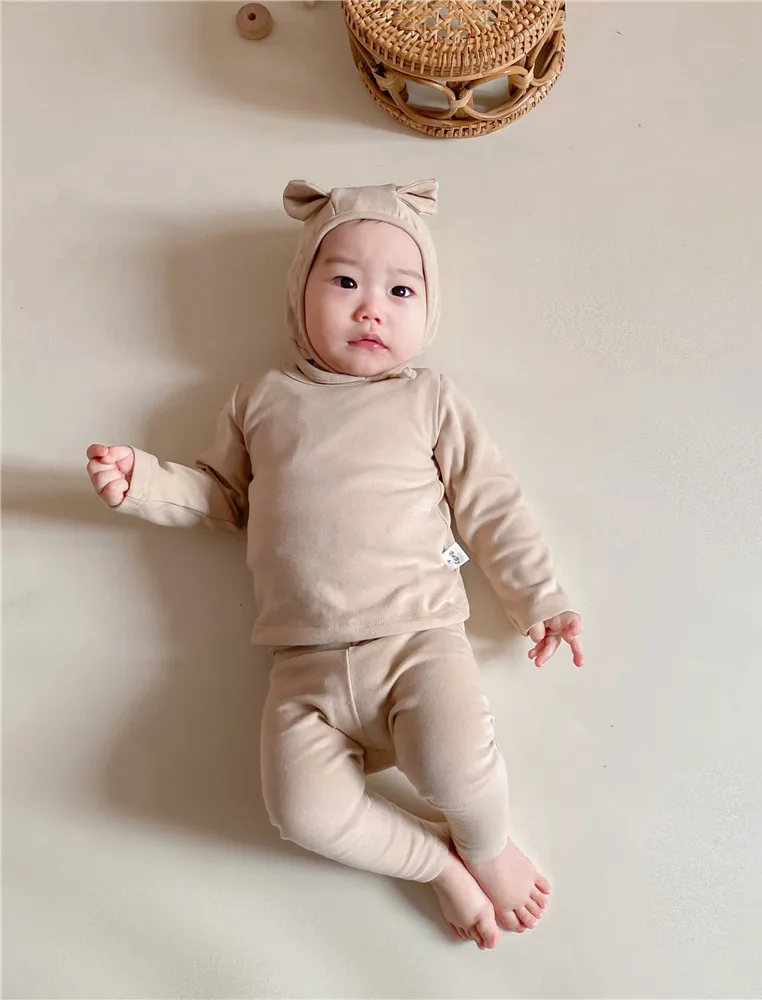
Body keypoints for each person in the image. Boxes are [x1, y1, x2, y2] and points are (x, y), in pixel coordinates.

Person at [86, 179, 583, 950]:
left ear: (428, 309)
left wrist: (539, 597)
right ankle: (436, 863)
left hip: (418, 639)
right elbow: (220, 496)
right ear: (299, 294)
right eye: (345, 281)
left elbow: (489, 502)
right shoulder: (261, 399)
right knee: (301, 812)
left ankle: (486, 846)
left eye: (400, 290)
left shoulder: (427, 398)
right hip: (303, 666)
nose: (371, 308)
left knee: (455, 771)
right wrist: (143, 483)